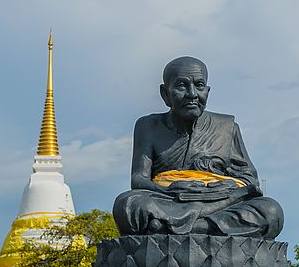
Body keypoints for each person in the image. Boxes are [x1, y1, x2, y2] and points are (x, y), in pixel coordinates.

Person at [113, 56, 283, 238]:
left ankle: (186, 227)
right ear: (165, 94)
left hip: (219, 202)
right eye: (181, 86)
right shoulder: (148, 126)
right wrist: (169, 190)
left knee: (271, 211)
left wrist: (218, 189)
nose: (192, 94)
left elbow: (249, 180)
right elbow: (138, 179)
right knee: (127, 205)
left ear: (207, 91)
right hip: (170, 200)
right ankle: (199, 226)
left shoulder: (227, 127)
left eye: (199, 85)